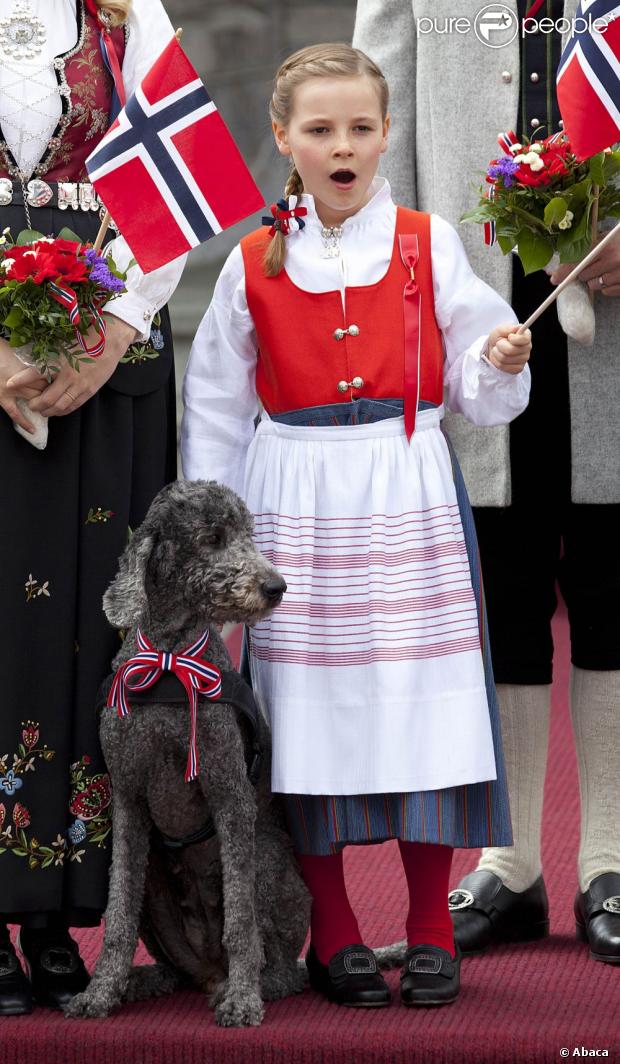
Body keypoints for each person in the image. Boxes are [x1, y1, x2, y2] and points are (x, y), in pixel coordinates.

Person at [181, 42, 532, 1009]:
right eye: (322, 129)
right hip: (293, 494)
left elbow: (474, 377)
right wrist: (221, 544)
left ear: (386, 136)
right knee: (306, 714)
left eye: (362, 129)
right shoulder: (253, 260)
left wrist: (497, 357)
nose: (344, 147)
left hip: (404, 485)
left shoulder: (428, 242)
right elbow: (212, 409)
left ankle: (427, 931)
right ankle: (333, 933)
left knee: (423, 695)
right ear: (284, 137)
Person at [352, 0, 620, 964]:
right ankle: (510, 865)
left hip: (617, 319)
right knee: (498, 584)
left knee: (608, 578)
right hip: (473, 318)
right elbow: (381, 118)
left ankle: (609, 857)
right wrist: (401, 294)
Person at [0, 0, 184, 1014]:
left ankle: (60, 908)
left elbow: (176, 170)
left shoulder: (126, 12)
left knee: (89, 630)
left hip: (105, 357)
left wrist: (110, 330)